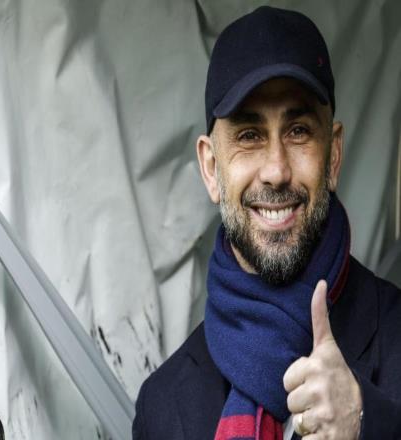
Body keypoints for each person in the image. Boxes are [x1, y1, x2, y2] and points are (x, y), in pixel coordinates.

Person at [132, 6, 401, 440]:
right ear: (211, 168)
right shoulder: (161, 405)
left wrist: (366, 422)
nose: (276, 170)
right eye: (249, 136)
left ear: (333, 156)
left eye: (298, 131)